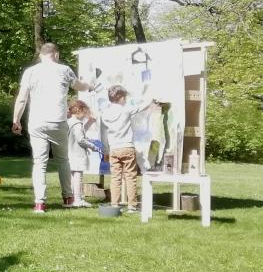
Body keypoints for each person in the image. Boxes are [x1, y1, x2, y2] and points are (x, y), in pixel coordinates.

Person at [11, 42, 92, 214]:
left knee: (39, 163)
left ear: (41, 55)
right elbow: (79, 86)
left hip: (37, 122)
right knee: (62, 160)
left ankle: (39, 203)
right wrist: (89, 85)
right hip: (58, 121)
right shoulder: (64, 70)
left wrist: (16, 120)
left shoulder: (30, 72)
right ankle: (68, 198)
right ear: (56, 54)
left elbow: (22, 98)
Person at [100, 85, 157, 213]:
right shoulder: (125, 110)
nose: (125, 100)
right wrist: (151, 98)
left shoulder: (104, 114)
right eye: (125, 98)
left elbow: (103, 134)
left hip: (114, 149)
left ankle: (114, 204)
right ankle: (132, 206)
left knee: (115, 178)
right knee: (130, 177)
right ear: (120, 97)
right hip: (127, 147)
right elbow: (142, 107)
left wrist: (106, 150)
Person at [67, 99, 101, 208]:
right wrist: (93, 146)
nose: (85, 116)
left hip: (70, 153)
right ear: (78, 110)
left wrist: (90, 122)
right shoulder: (77, 123)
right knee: (78, 177)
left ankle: (73, 199)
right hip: (77, 154)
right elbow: (81, 139)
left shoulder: (69, 122)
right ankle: (77, 200)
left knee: (72, 177)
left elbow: (80, 133)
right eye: (84, 113)